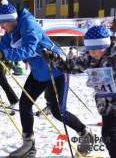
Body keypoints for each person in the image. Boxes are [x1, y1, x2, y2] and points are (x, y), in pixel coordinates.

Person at [0, 0, 91, 157]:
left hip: (56, 70)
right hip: (38, 73)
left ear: (12, 20)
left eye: (2, 23)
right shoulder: (11, 32)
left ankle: (85, 134)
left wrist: (3, 55)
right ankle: (29, 145)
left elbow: (29, 50)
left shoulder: (29, 24)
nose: (1, 27)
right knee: (24, 105)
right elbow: (0, 47)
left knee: (58, 112)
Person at [45, 25, 116, 157]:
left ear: (106, 46)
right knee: (109, 135)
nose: (93, 53)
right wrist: (54, 58)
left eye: (97, 49)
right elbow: (69, 66)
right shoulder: (89, 58)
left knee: (111, 136)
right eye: (90, 49)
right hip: (106, 107)